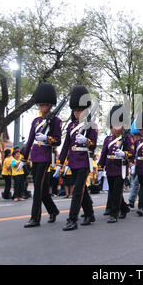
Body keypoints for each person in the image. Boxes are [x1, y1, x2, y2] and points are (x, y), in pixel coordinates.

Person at [57, 85, 97, 231]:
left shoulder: (91, 125)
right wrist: (60, 162)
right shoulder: (70, 127)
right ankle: (89, 213)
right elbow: (66, 145)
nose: (76, 112)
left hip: (84, 160)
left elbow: (93, 145)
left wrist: (85, 141)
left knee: (77, 190)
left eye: (79, 110)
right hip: (73, 160)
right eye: (75, 110)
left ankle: (72, 219)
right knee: (82, 189)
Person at [23, 83, 62, 228]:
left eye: (44, 105)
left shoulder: (56, 121)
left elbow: (58, 140)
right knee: (43, 190)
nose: (41, 107)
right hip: (35, 156)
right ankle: (53, 210)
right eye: (40, 105)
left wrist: (47, 139)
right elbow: (29, 140)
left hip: (46, 156)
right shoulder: (36, 121)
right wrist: (23, 157)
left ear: (50, 105)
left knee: (38, 188)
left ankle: (35, 218)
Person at [98, 104, 134, 222]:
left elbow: (132, 152)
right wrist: (100, 167)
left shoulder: (127, 138)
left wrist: (124, 154)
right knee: (113, 191)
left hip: (121, 168)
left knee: (117, 191)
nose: (115, 128)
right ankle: (124, 208)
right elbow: (103, 154)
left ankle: (114, 214)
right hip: (110, 168)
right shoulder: (108, 139)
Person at [128, 119, 141, 208]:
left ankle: (131, 200)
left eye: (137, 135)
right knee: (136, 184)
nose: (136, 137)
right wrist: (132, 165)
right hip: (135, 166)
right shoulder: (134, 143)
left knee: (138, 184)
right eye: (135, 135)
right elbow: (131, 155)